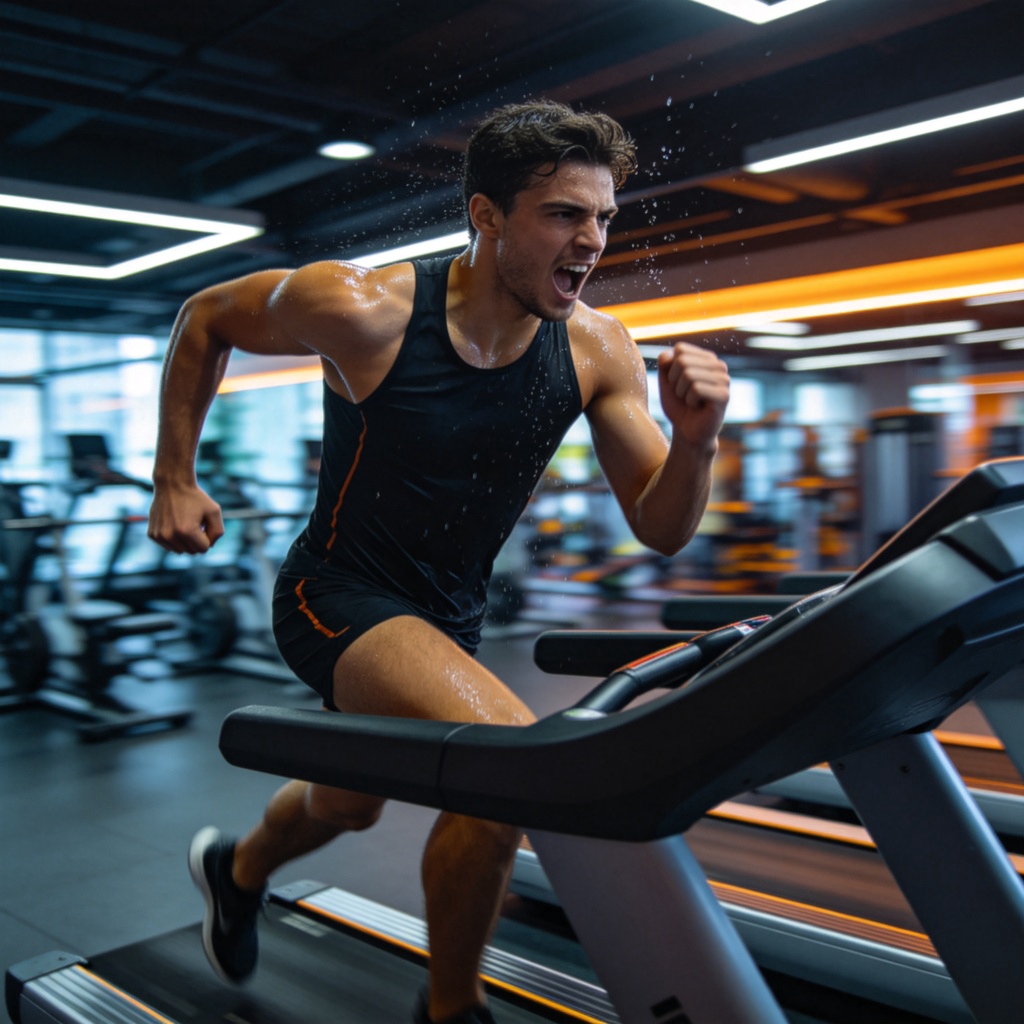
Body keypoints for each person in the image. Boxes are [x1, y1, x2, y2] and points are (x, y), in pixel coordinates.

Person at [148, 99, 730, 1024]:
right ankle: (451, 1011)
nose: (592, 241)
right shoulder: (363, 307)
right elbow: (205, 317)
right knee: (503, 767)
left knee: (349, 805)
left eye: (605, 218)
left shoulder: (597, 349)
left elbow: (662, 526)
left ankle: (237, 869)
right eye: (564, 215)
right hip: (333, 596)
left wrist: (697, 445)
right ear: (488, 216)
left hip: (447, 619)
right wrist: (171, 478)